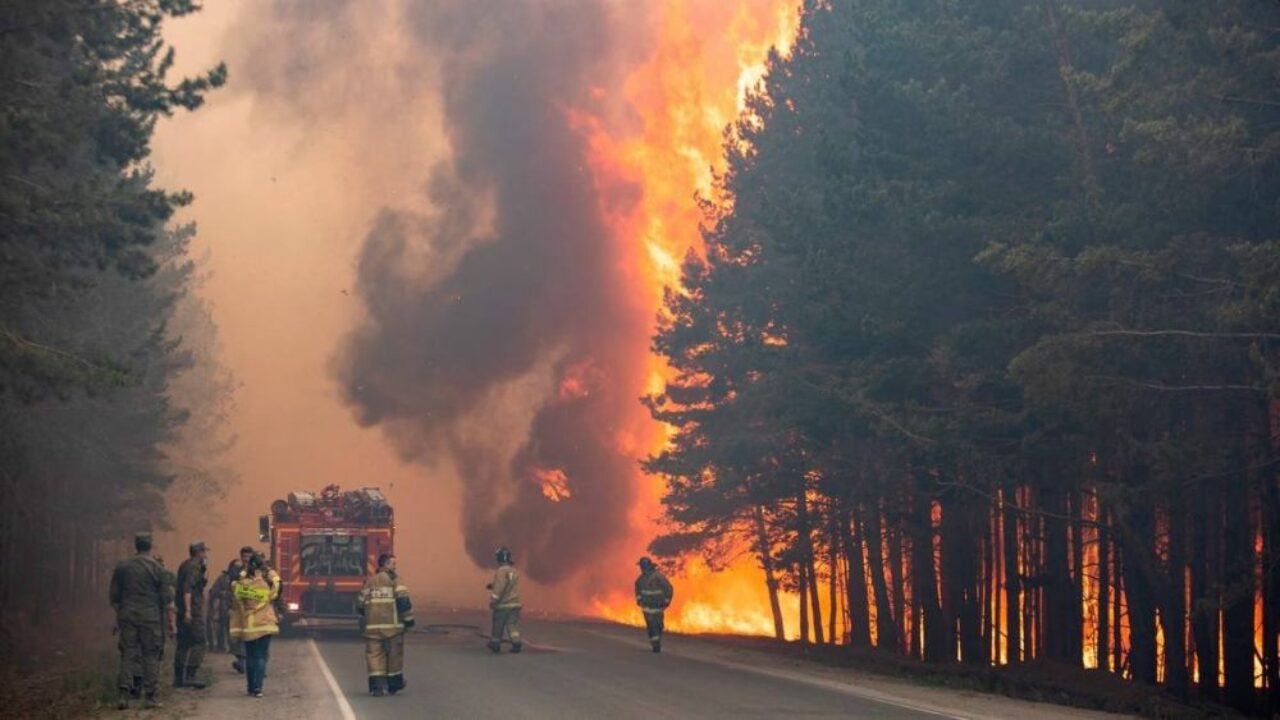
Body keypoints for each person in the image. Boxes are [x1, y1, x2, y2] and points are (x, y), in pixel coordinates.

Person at [109, 532, 175, 710]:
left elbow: (114, 597)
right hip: (150, 617)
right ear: (150, 546)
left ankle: (123, 695)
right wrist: (170, 622)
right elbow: (166, 598)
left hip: (127, 616)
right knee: (150, 655)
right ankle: (150, 696)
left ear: (136, 545)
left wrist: (121, 613)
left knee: (128, 654)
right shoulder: (157, 568)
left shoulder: (122, 567)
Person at [357, 553, 415, 696]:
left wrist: (370, 617)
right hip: (393, 628)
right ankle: (393, 684)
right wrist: (409, 620)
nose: (395, 566)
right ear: (385, 565)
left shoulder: (369, 582)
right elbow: (403, 602)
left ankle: (377, 688)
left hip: (372, 629)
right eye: (393, 563)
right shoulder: (395, 580)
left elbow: (360, 605)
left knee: (374, 657)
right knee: (394, 656)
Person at [229, 553, 280, 697]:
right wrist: (268, 570)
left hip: (250, 625)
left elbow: (232, 585)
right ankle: (258, 688)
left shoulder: (242, 584)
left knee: (250, 656)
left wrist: (244, 572)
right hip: (265, 624)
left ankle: (250, 688)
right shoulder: (267, 584)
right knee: (261, 656)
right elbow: (278, 584)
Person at [174, 541, 210, 689]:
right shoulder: (194, 567)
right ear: (199, 552)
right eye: (203, 552)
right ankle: (190, 675)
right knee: (200, 641)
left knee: (183, 643)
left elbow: (201, 584)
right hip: (191, 610)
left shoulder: (185, 564)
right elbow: (188, 589)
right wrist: (189, 611)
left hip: (182, 609)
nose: (205, 554)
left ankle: (178, 678)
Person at [486, 547, 522, 654]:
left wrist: (493, 600)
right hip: (515, 603)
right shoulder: (514, 571)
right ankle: (516, 643)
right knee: (512, 625)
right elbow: (509, 584)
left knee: (498, 624)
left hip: (503, 605)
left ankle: (495, 644)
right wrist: (493, 585)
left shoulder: (501, 571)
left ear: (499, 558)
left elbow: (500, 586)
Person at [634, 557, 674, 653]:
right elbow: (637, 591)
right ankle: (656, 645)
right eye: (641, 566)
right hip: (647, 607)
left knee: (659, 625)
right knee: (651, 626)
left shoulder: (658, 577)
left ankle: (657, 639)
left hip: (658, 606)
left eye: (643, 566)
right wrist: (639, 600)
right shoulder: (640, 579)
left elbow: (669, 588)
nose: (642, 568)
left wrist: (666, 601)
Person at [226, 545, 254, 673]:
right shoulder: (236, 571)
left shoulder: (257, 572)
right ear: (241, 557)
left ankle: (247, 663)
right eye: (244, 557)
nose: (247, 559)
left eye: (249, 557)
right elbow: (231, 587)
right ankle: (242, 661)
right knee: (236, 637)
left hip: (252, 609)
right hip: (237, 608)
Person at [206, 569, 231, 653]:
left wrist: (227, 593)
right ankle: (220, 646)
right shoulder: (222, 579)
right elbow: (213, 591)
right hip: (223, 608)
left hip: (234, 607)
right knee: (220, 627)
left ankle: (232, 647)